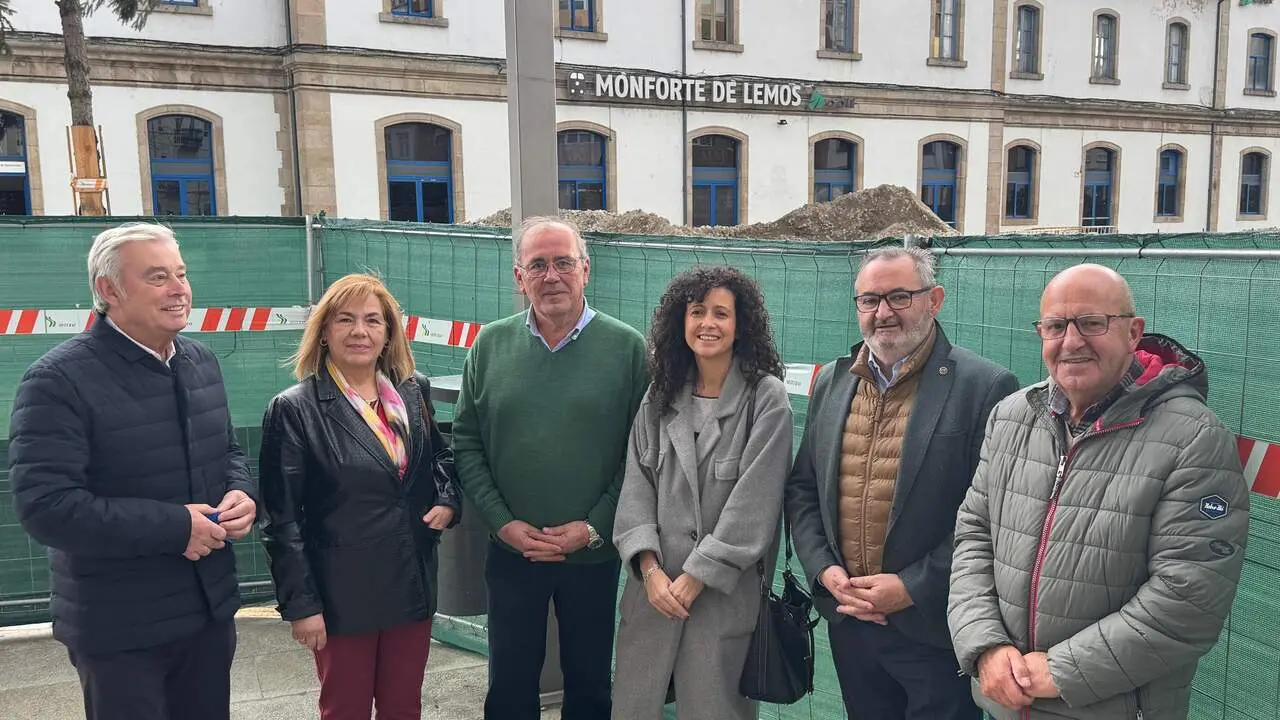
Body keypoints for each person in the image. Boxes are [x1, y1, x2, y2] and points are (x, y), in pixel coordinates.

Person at [948, 264, 1250, 719]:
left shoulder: (1194, 439)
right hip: (1006, 703)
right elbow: (973, 535)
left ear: (1133, 332)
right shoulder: (1011, 416)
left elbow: (1188, 597)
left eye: (1091, 323)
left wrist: (1060, 672)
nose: (1071, 341)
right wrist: (985, 645)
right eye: (1055, 326)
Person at [8, 222, 257, 720]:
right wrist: (175, 527)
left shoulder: (201, 362)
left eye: (181, 274)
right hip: (120, 629)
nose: (179, 289)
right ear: (108, 290)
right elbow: (47, 508)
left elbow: (228, 452)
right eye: (158, 277)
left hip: (207, 615)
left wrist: (242, 493)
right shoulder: (57, 381)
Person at [784, 246, 1019, 719]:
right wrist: (824, 571)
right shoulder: (832, 380)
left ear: (934, 300)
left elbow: (994, 518)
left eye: (899, 296)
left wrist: (911, 586)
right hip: (851, 625)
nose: (883, 312)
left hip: (935, 630)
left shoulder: (985, 387)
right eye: (869, 300)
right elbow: (803, 489)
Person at [451, 216, 648, 720]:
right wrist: (502, 524)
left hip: (593, 556)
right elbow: (467, 444)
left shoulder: (628, 350)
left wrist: (594, 527)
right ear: (520, 278)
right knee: (510, 686)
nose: (552, 275)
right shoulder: (489, 346)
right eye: (537, 265)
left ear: (586, 269)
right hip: (512, 554)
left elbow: (643, 454)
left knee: (589, 688)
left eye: (563, 262)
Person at [258, 273, 462, 720]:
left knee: (403, 708)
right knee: (345, 710)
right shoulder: (295, 409)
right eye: (345, 320)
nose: (359, 331)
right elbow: (281, 520)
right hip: (340, 596)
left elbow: (440, 459)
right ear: (324, 332)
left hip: (410, 582)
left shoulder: (413, 390)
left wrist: (448, 500)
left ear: (388, 333)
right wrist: (302, 605)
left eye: (373, 320)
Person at [612, 266, 794, 720]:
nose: (707, 323)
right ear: (681, 321)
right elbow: (635, 485)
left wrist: (697, 576)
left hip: (721, 598)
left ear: (741, 324)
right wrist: (649, 569)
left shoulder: (766, 399)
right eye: (697, 312)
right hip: (653, 594)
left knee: (716, 709)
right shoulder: (660, 395)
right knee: (635, 706)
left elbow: (756, 502)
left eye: (721, 313)